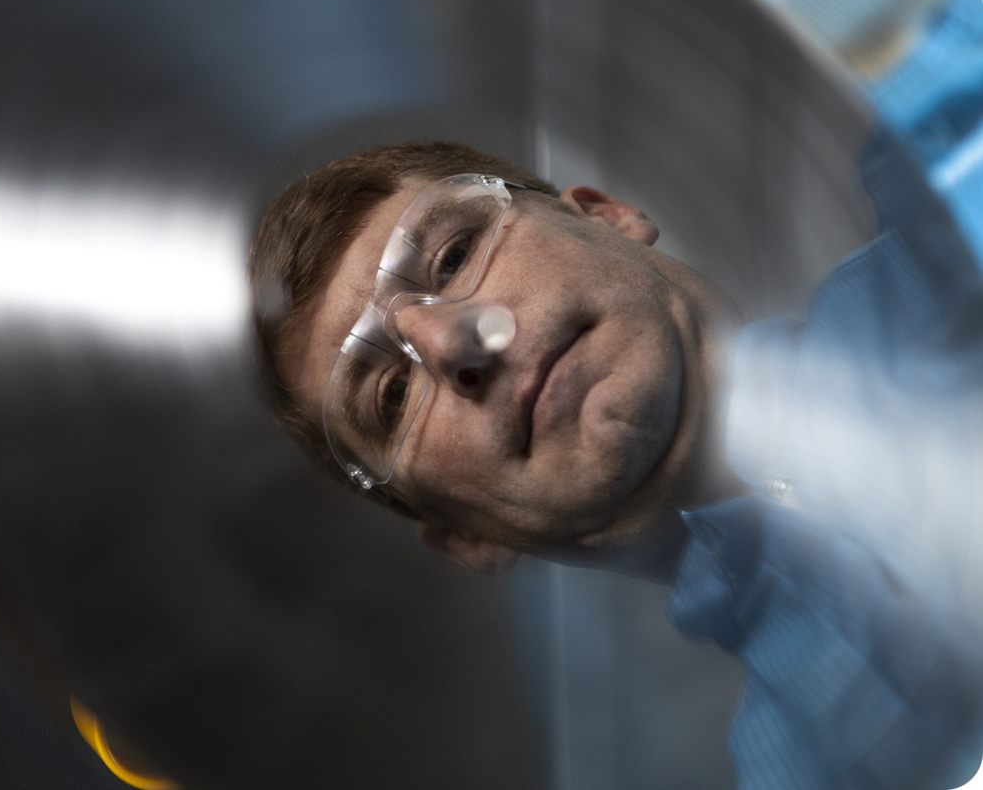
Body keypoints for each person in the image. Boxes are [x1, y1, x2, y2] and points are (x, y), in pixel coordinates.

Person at [249, 138, 983, 789]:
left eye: (452, 255)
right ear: (467, 537)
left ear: (605, 215)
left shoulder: (949, 194)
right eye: (394, 394)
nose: (454, 345)